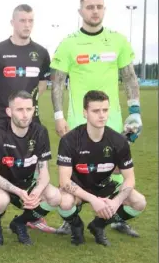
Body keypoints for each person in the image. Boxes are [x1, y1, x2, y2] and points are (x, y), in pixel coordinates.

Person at [50, 0, 142, 236]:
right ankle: (71, 219)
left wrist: (135, 110)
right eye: (89, 7)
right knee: (75, 173)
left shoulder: (118, 40)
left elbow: (129, 76)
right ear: (80, 12)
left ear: (104, 10)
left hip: (110, 118)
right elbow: (57, 81)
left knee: (116, 170)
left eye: (99, 7)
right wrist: (58, 114)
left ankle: (117, 217)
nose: (95, 11)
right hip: (78, 119)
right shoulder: (69, 43)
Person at [0, 4, 54, 234]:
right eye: (22, 20)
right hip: (2, 117)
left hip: (31, 120)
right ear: (12, 22)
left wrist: (25, 108)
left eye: (30, 20)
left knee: (31, 164)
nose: (27, 25)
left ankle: (31, 215)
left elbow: (42, 85)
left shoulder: (41, 53)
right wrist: (7, 106)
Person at [56, 90, 146, 246]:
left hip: (104, 187)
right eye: (96, 111)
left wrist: (116, 202)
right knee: (64, 202)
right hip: (78, 187)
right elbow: (64, 181)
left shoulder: (118, 141)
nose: (102, 115)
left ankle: (98, 225)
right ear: (85, 112)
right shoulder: (69, 140)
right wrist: (93, 200)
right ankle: (76, 225)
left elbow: (130, 178)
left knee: (139, 202)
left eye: (105, 110)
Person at [0, 90, 61, 245]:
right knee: (0, 200)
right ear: (9, 111)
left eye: (29, 109)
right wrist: (18, 192)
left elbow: (44, 171)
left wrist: (36, 192)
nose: (25, 114)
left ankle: (20, 222)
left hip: (26, 182)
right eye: (19, 110)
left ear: (34, 110)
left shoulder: (40, 132)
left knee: (55, 196)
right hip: (1, 184)